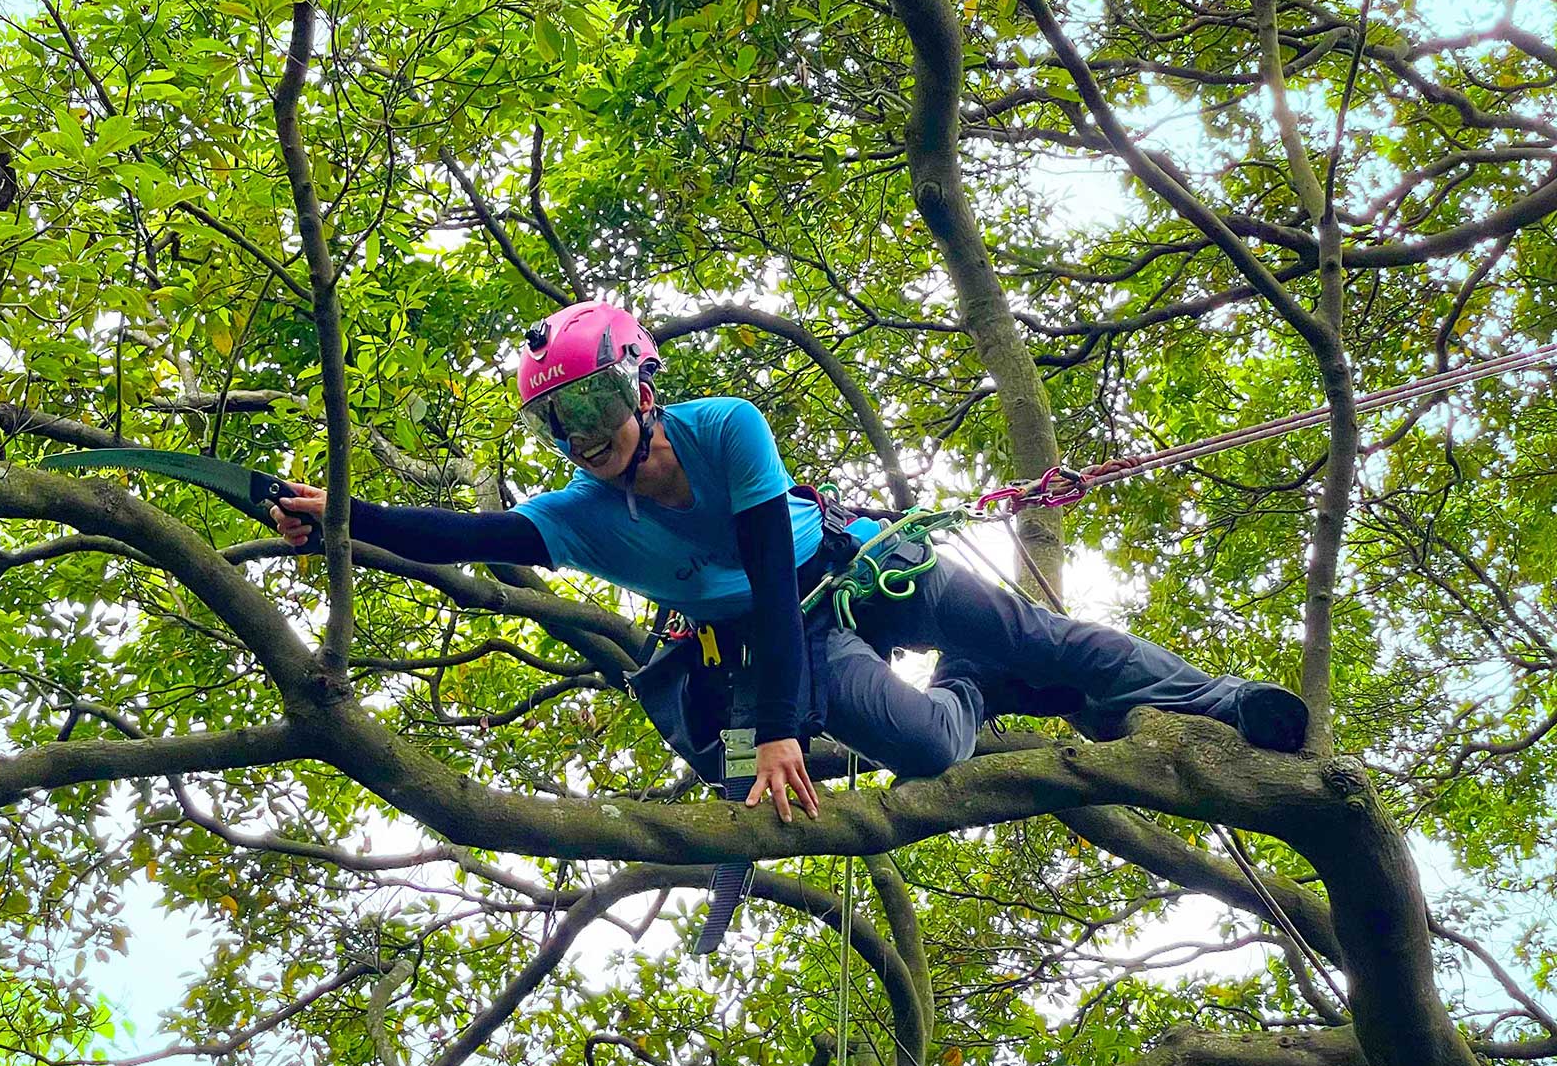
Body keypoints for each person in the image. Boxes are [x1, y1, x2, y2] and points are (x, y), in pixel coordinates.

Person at [272, 301, 1309, 822]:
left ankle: (1220, 705)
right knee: (932, 750)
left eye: (588, 407)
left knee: (1043, 636)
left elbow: (772, 569)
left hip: (855, 571)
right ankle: (973, 688)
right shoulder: (586, 516)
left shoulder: (726, 428)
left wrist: (778, 735)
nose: (580, 439)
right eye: (558, 423)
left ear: (638, 384)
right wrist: (341, 520)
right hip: (796, 642)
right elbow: (465, 537)